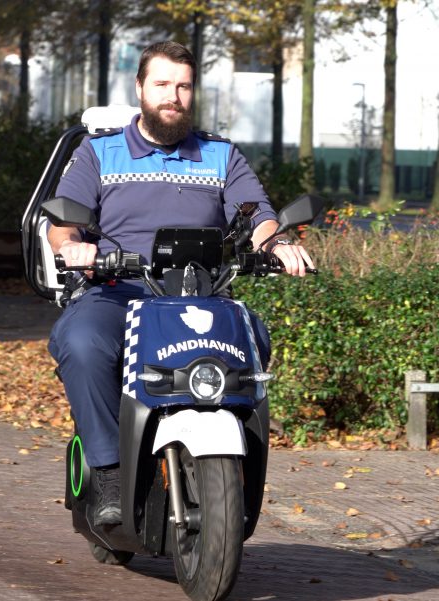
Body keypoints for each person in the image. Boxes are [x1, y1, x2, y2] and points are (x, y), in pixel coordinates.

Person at [47, 41, 314, 526]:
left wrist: (276, 244)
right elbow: (62, 224)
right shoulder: (99, 152)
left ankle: (232, 463)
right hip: (119, 290)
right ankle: (108, 471)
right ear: (140, 88)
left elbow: (257, 214)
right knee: (83, 342)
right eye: (162, 84)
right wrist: (73, 247)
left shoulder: (220, 155)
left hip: (199, 293)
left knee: (254, 337)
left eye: (184, 86)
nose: (173, 96)